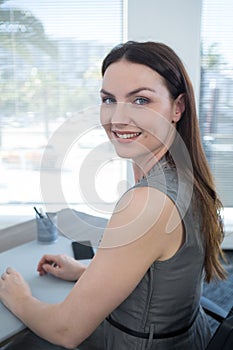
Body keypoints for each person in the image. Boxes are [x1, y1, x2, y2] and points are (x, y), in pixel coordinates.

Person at [0, 41, 226, 350]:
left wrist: (20, 297)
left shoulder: (147, 203)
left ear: (177, 107)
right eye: (109, 99)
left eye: (141, 100)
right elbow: (163, 277)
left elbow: (66, 331)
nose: (117, 118)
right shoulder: (188, 174)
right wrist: (85, 272)